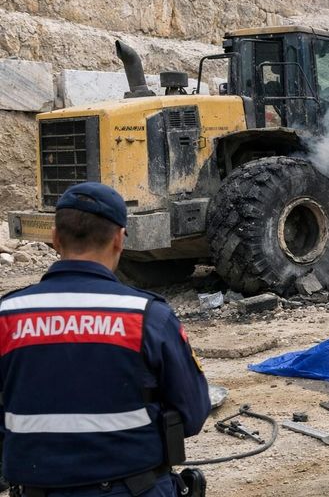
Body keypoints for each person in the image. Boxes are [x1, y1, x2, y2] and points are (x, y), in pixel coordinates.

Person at [0, 182, 211, 496]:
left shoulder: (8, 315)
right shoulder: (147, 316)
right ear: (119, 239)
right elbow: (192, 415)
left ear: (55, 239)